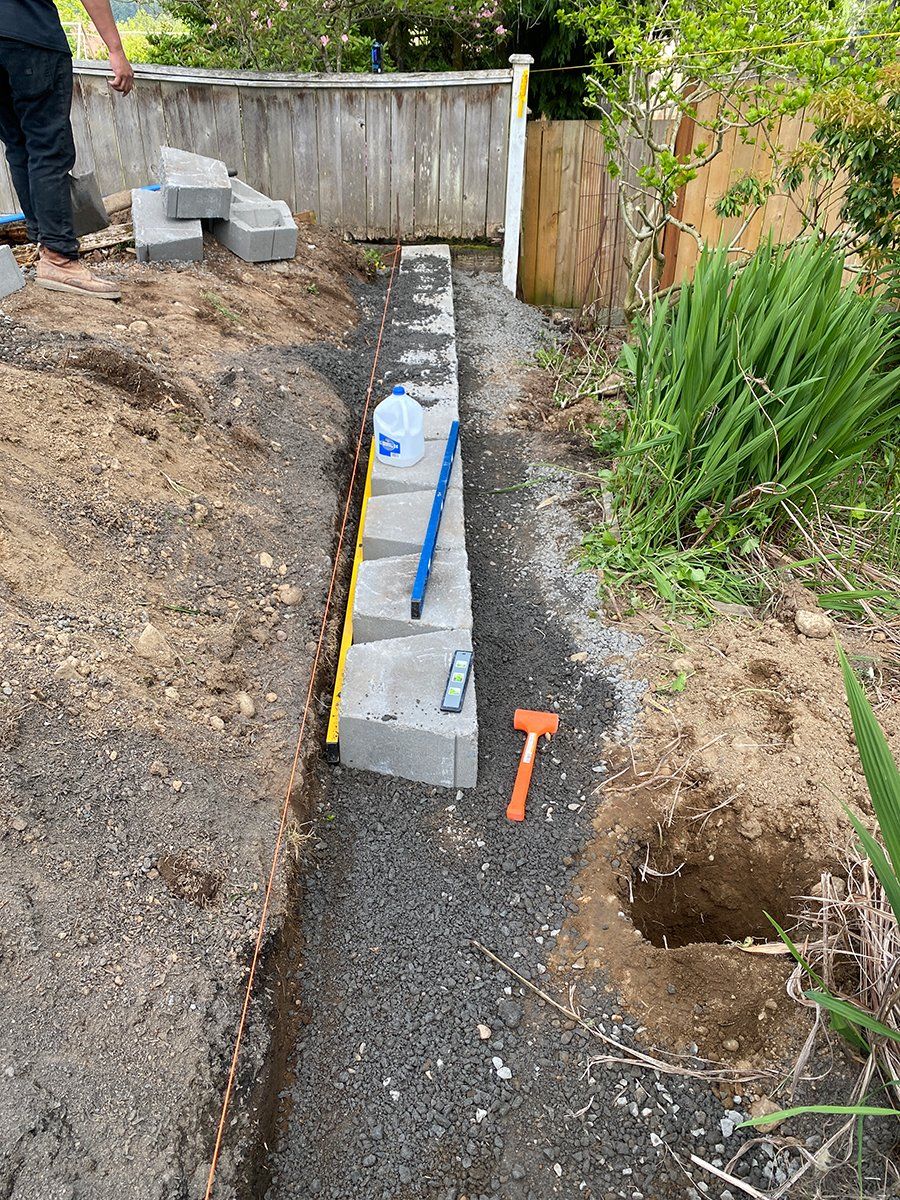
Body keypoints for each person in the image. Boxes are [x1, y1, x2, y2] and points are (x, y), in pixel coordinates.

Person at [0, 0, 134, 299]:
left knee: (18, 145)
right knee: (47, 147)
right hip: (31, 38)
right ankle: (58, 258)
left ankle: (45, 243)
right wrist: (115, 50)